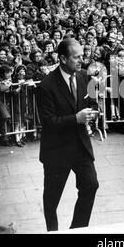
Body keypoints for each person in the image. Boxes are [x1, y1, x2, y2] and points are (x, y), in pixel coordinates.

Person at [36, 38, 99, 231]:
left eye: (82, 56)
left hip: (80, 146)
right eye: (76, 57)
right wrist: (76, 119)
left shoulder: (83, 77)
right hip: (57, 150)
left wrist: (92, 113)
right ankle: (53, 231)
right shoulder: (46, 86)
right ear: (63, 59)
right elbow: (48, 123)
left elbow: (92, 103)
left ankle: (78, 229)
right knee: (51, 200)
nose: (82, 60)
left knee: (90, 185)